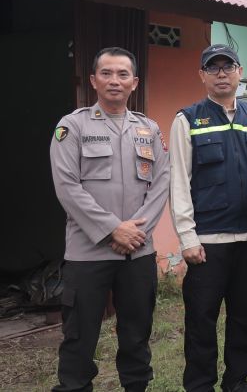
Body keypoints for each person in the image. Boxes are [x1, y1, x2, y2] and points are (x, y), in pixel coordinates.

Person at [49, 47, 170, 392]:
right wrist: (111, 229)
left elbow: (162, 182)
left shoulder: (148, 129)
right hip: (87, 254)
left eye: (122, 74)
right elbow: (67, 187)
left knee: (136, 334)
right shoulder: (72, 126)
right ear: (93, 80)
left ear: (134, 82)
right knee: (79, 337)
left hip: (138, 252)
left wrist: (135, 231)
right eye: (106, 73)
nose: (114, 81)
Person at [169, 44, 247, 392]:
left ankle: (238, 380)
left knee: (245, 317)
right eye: (213, 68)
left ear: (240, 73)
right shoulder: (188, 119)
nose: (221, 73)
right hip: (207, 243)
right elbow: (178, 181)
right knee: (201, 318)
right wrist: (187, 237)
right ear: (202, 76)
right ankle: (200, 384)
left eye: (228, 67)